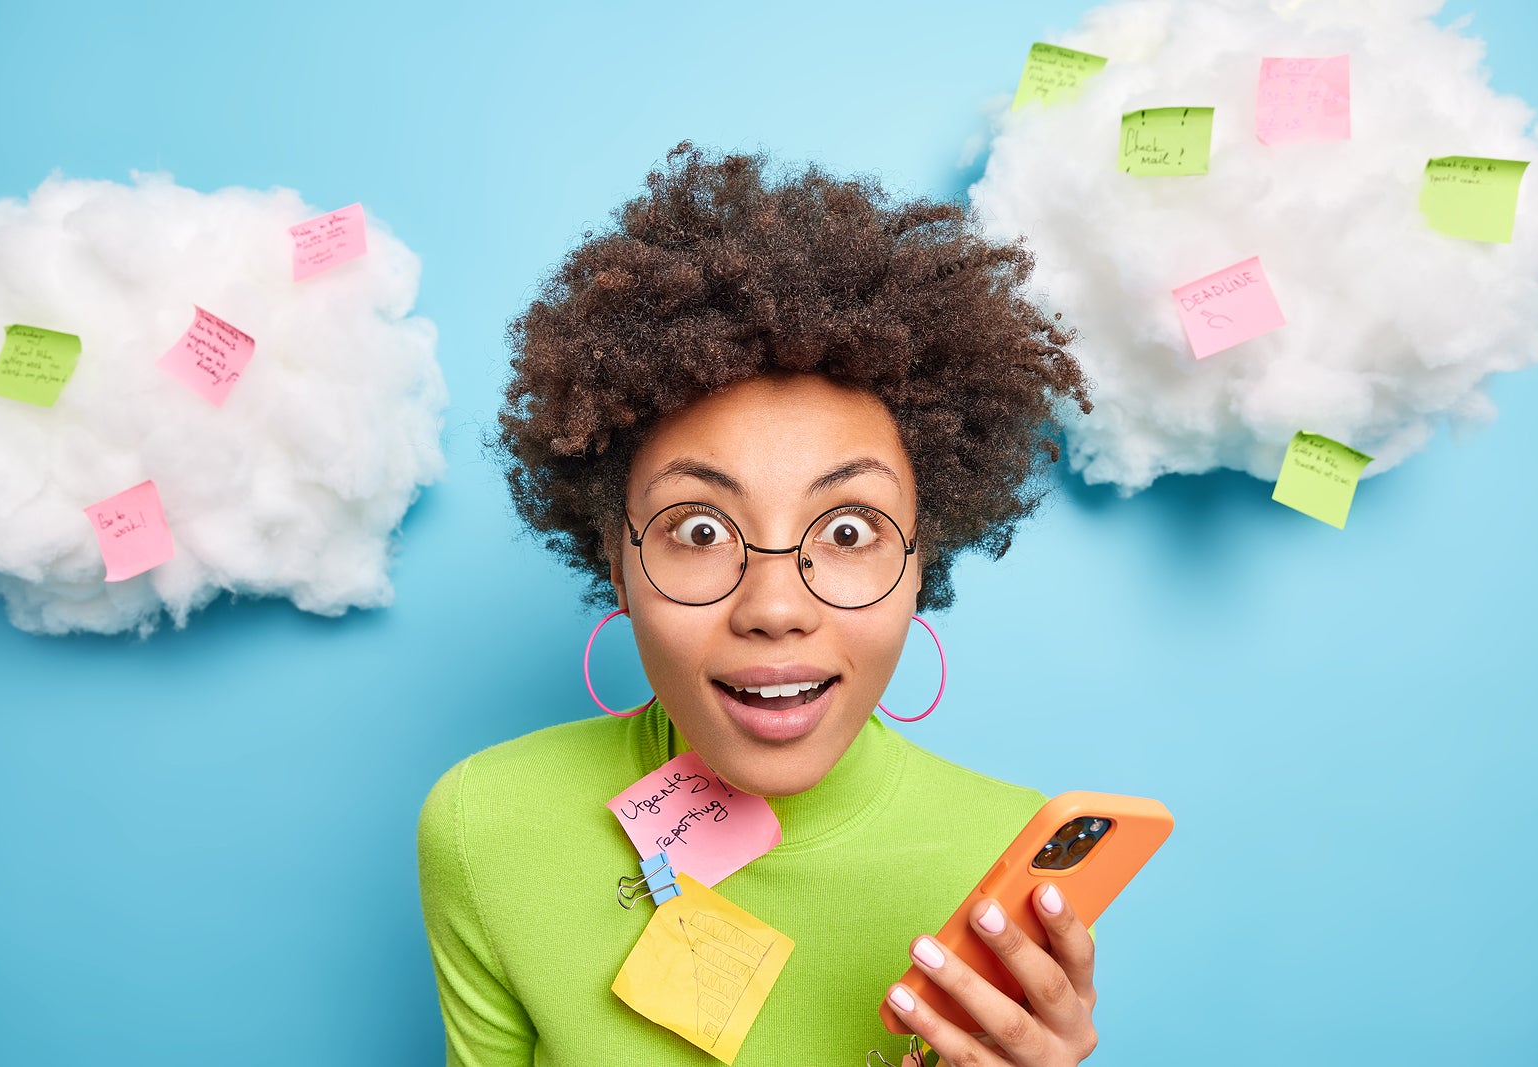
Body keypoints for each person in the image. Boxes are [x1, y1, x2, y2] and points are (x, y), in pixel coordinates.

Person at [418, 142, 1095, 1066]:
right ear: (615, 555)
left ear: (920, 557)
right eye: (699, 530)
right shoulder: (484, 824)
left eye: (848, 531)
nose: (775, 607)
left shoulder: (1014, 868)